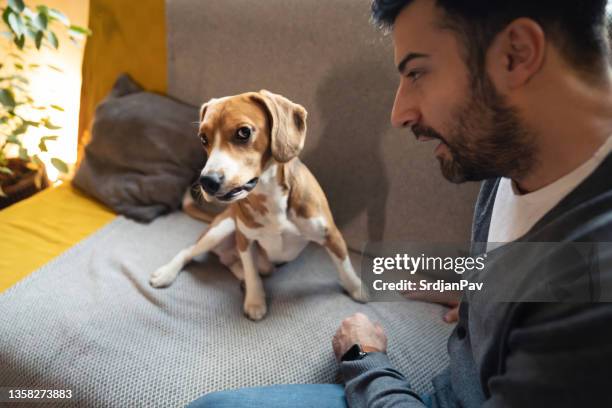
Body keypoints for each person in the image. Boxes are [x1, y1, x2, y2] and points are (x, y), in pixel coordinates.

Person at [189, 0, 612, 406]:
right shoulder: (513, 154)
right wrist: (480, 291)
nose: (399, 113)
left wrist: (365, 358)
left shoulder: (593, 297)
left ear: (516, 54)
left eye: (417, 73)